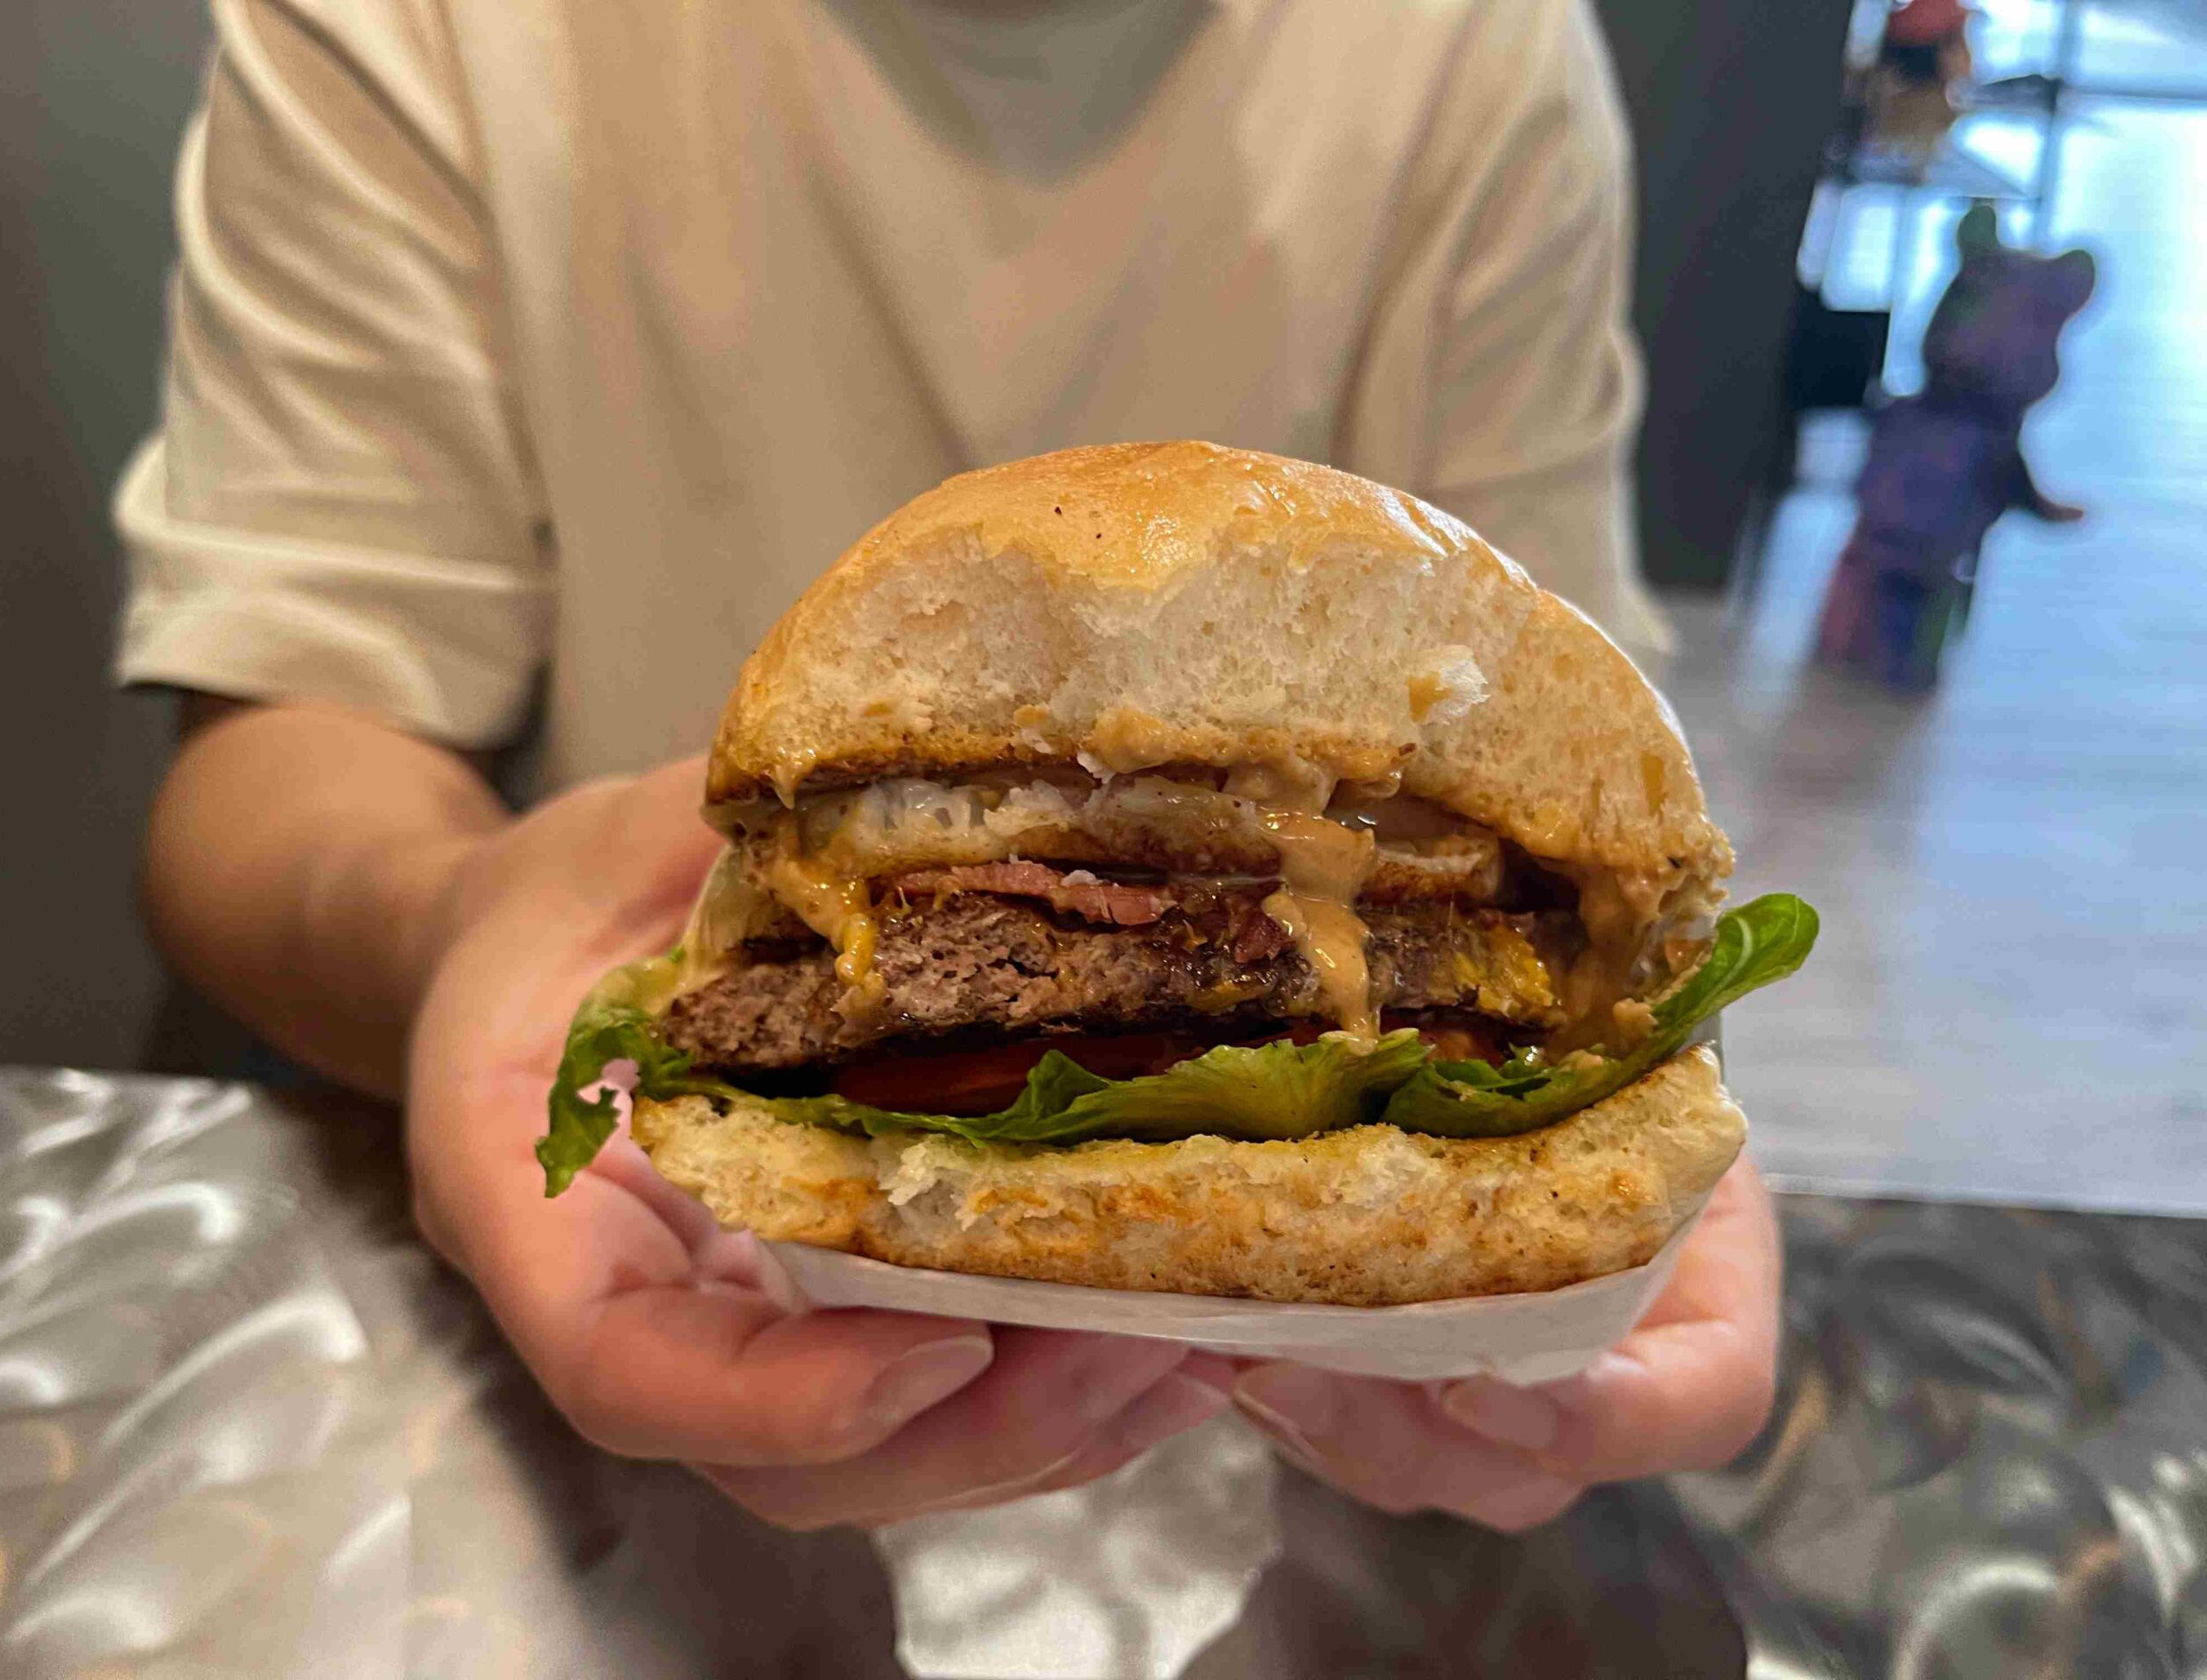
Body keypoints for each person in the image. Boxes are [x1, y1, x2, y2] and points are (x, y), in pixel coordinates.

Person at [121, 0, 1776, 1533]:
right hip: (630, 1322)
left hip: (1333, 1507)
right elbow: (279, 731)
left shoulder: (1477, 40)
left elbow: (1611, 837)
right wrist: (463, 918)